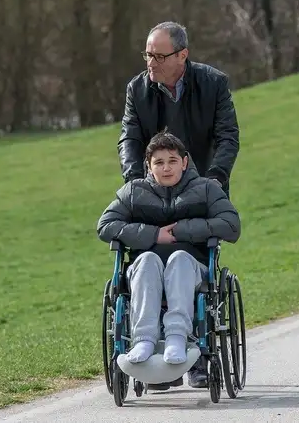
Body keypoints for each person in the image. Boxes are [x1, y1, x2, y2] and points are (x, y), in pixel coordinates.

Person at [98, 132, 241, 387]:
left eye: (172, 161)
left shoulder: (206, 189)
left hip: (192, 268)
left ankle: (177, 337)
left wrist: (182, 231)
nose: (166, 168)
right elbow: (106, 225)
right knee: (148, 261)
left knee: (178, 259)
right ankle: (144, 340)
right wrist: (155, 235)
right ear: (148, 166)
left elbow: (231, 225)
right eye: (159, 162)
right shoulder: (133, 192)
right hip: (145, 268)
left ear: (184, 162)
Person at [118, 21, 239, 198]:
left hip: (206, 189)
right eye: (148, 55)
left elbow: (228, 136)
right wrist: (135, 183)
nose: (151, 63)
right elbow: (129, 140)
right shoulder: (136, 90)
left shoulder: (214, 83)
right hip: (155, 195)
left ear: (182, 55)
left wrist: (216, 179)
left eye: (159, 57)